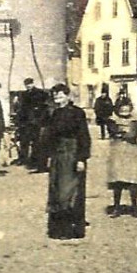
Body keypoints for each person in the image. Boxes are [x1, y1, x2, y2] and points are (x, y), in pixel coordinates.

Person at [43, 83, 91, 239]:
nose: (58, 98)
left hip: (72, 155)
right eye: (55, 95)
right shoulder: (54, 113)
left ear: (68, 96)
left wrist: (81, 159)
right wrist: (49, 156)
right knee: (57, 193)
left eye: (61, 95)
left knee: (70, 193)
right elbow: (50, 137)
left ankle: (72, 230)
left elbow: (83, 136)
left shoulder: (77, 113)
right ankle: (58, 229)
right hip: (58, 157)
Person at [105, 94, 137, 218]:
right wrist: (122, 133)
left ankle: (134, 207)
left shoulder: (135, 120)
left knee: (133, 179)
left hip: (131, 151)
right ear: (118, 109)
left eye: (127, 109)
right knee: (118, 180)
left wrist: (121, 134)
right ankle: (116, 207)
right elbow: (112, 131)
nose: (125, 112)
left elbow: (133, 135)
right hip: (117, 151)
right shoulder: (112, 119)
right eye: (122, 109)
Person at [18, 78, 51, 172]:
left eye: (29, 84)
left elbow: (44, 104)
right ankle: (24, 159)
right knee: (25, 141)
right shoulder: (24, 94)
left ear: (33, 83)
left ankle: (34, 161)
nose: (28, 86)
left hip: (36, 121)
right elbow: (22, 108)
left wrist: (39, 118)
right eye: (26, 85)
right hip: (27, 122)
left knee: (36, 142)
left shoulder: (40, 93)